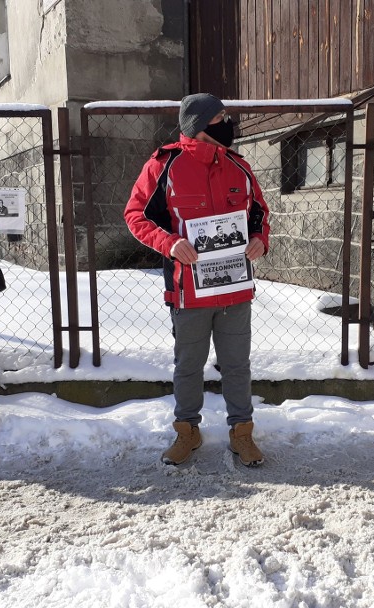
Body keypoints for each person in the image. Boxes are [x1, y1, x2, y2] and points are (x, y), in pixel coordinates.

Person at [124, 93, 270, 467]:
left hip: (235, 289)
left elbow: (259, 214)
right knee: (188, 367)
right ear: (201, 124)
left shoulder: (239, 166)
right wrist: (170, 243)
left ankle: (242, 434)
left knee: (237, 366)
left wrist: (259, 239)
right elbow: (136, 215)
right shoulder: (165, 164)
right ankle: (187, 432)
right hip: (187, 293)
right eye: (221, 116)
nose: (228, 123)